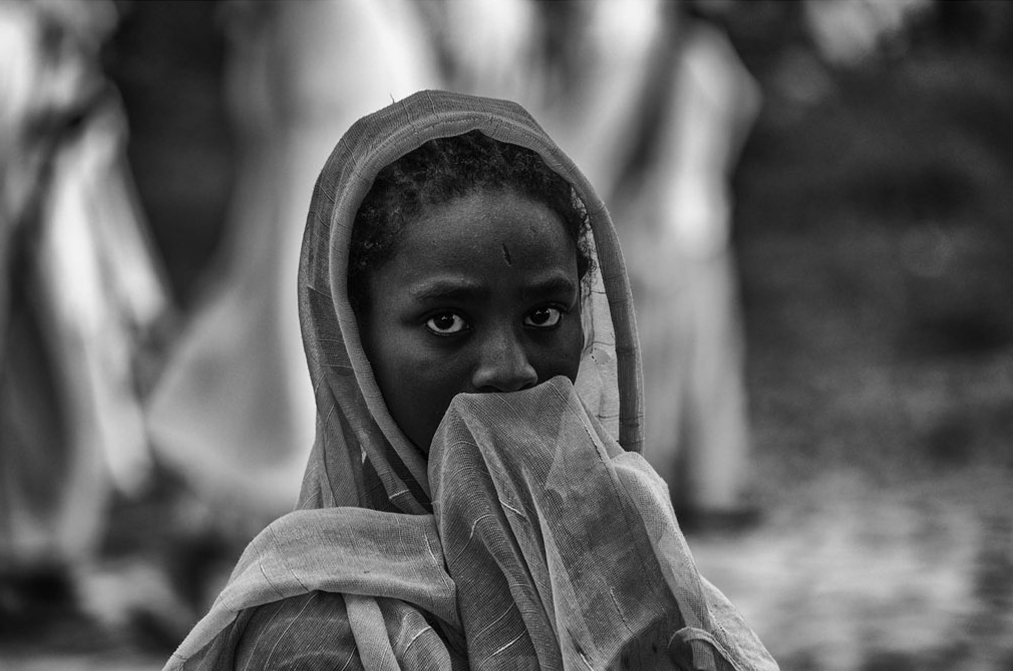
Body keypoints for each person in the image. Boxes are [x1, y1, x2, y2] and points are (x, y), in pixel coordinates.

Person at [163, 90, 777, 670]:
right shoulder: (313, 628)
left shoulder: (629, 547)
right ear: (355, 343)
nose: (510, 369)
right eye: (447, 321)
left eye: (543, 316)